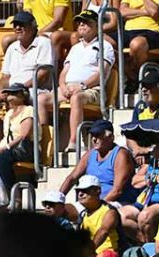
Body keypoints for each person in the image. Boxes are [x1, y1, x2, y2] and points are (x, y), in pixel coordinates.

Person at [45, 10, 115, 152]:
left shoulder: (105, 46)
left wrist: (81, 86)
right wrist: (63, 86)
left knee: (76, 98)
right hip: (68, 88)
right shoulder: (75, 48)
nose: (82, 24)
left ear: (97, 25)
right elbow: (64, 72)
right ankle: (44, 145)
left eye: (87, 22)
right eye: (80, 22)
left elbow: (101, 74)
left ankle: (73, 142)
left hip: (91, 89)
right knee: (41, 99)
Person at [60, 119, 136, 205]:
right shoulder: (90, 154)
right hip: (91, 203)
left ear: (111, 137)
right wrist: (58, 199)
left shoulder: (120, 155)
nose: (94, 139)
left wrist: (98, 208)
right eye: (92, 135)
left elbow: (117, 191)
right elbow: (72, 178)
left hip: (116, 203)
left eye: (98, 135)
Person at [0, 83, 37, 194]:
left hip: (26, 149)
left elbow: (24, 135)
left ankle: (13, 194)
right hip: (10, 149)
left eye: (14, 92)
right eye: (9, 93)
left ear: (24, 95)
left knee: (1, 159)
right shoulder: (8, 114)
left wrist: (4, 148)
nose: (10, 95)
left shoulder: (29, 110)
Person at [0, 11, 54, 94]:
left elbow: (42, 76)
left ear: (33, 27)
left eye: (21, 25)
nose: (17, 28)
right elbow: (5, 77)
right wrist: (0, 92)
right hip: (13, 90)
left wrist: (20, 89)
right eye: (15, 25)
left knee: (15, 97)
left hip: (34, 90)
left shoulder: (44, 43)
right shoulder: (12, 47)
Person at [76, 175, 123, 254]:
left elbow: (103, 232)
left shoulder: (109, 212)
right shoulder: (83, 215)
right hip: (93, 256)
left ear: (97, 191)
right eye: (78, 191)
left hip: (109, 256)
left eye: (85, 190)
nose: (80, 194)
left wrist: (87, 253)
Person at [120, 0, 159, 82]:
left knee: (136, 44)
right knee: (105, 41)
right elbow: (122, 12)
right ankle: (132, 76)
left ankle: (137, 78)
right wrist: (144, 11)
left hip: (151, 31)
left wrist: (133, 12)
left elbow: (154, 12)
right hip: (128, 31)